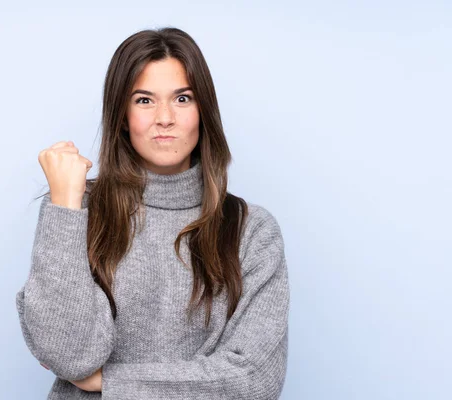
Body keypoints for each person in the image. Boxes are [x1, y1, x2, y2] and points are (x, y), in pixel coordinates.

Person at [15, 26, 290, 399]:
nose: (165, 118)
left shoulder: (251, 231)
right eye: (144, 100)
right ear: (123, 116)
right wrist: (64, 205)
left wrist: (111, 383)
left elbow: (253, 381)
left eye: (182, 99)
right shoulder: (76, 210)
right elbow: (72, 357)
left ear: (203, 111)